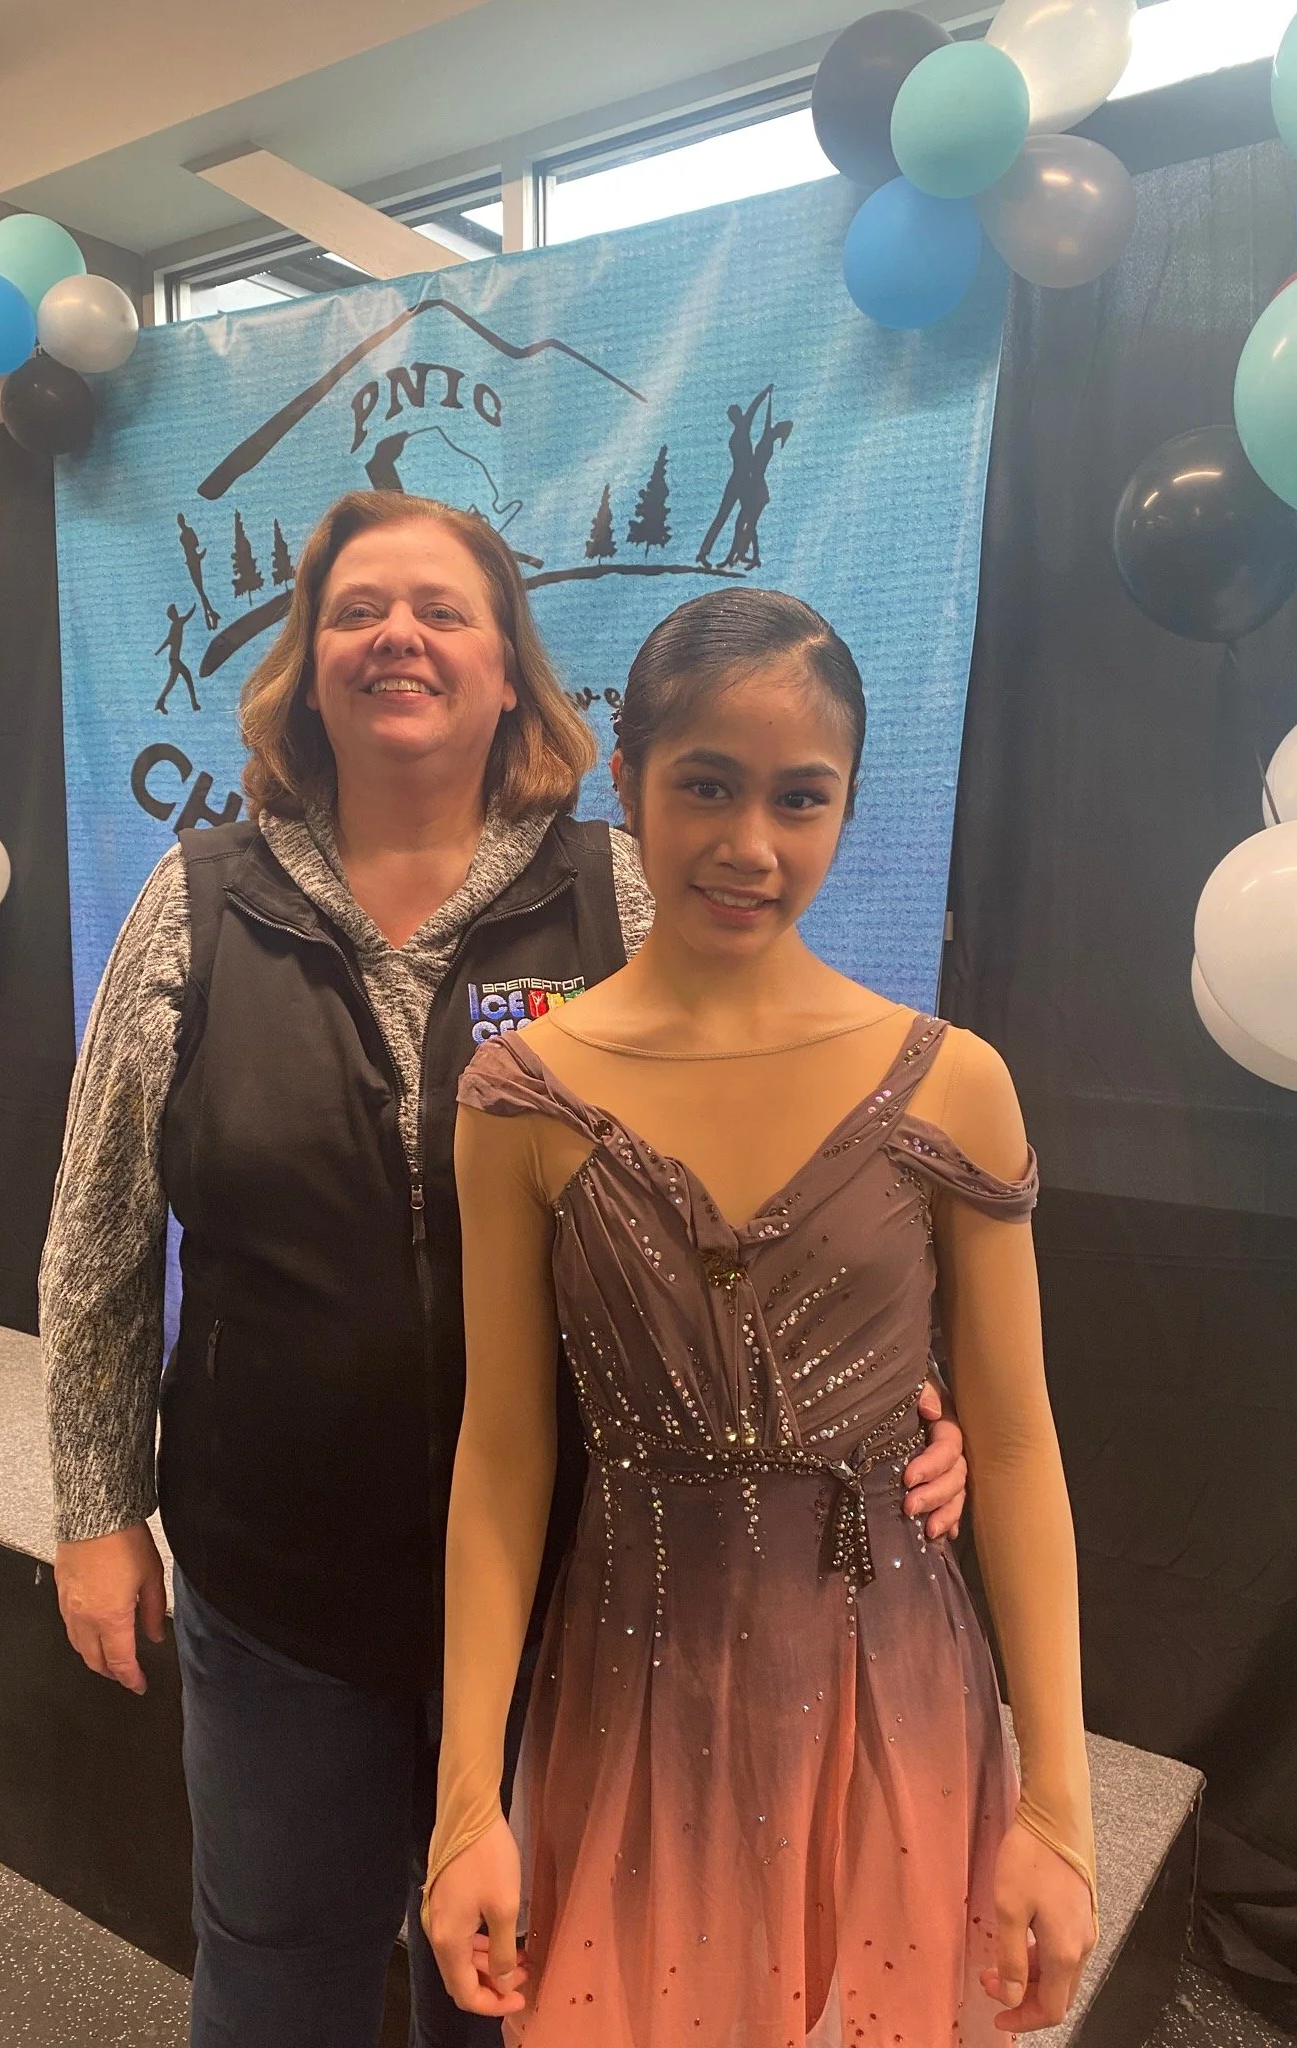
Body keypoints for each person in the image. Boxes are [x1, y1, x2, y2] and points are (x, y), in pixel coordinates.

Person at [40, 495, 970, 2048]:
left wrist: (891, 1385)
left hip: (580, 1583)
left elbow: (784, 1155)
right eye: (358, 609)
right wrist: (91, 1508)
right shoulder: (196, 906)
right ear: (307, 663)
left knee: (532, 1984)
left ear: (511, 671)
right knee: (275, 1970)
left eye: (443, 609)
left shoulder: (618, 894)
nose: (397, 634)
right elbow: (98, 1233)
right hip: (276, 1579)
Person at [423, 588, 1098, 2045]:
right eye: (706, 787)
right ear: (626, 781)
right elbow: (503, 1460)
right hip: (628, 1699)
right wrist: (466, 1802)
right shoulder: (521, 1100)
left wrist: (1061, 1806)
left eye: (801, 799)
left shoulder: (952, 1083)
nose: (749, 845)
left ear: (849, 805)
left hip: (895, 1692)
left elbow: (1024, 1452)